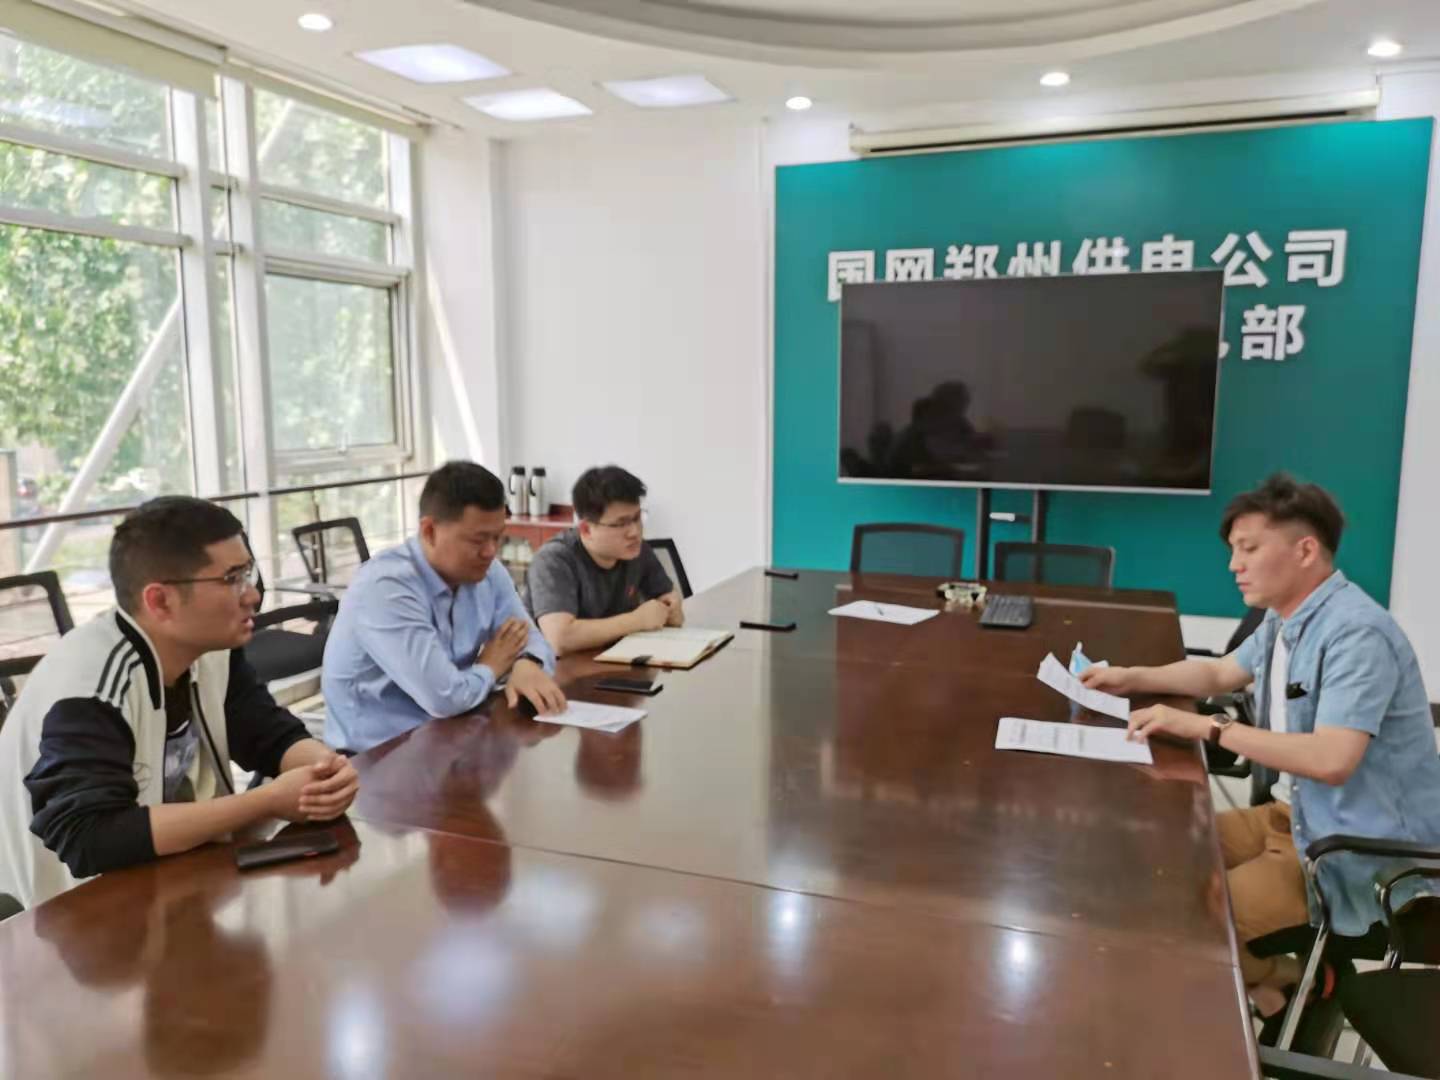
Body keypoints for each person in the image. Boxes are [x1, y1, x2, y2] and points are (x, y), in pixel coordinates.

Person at [1081, 473, 1440, 1017]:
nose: (1234, 565)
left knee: (1188, 914)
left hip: (1351, 852)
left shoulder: (1356, 635)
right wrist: (1130, 677)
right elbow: (1221, 671)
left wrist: (1211, 728)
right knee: (1152, 853)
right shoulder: (1287, 619)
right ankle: (1271, 988)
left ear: (1305, 550)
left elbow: (1332, 761)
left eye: (1249, 549)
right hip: (1290, 817)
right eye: (1233, 550)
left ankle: (1288, 982)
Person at [0, 497, 359, 910]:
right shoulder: (91, 685)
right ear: (160, 601)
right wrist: (266, 800)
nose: (252, 595)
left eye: (248, 572)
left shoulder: (210, 648)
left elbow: (265, 732)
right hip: (66, 917)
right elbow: (90, 837)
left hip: (170, 883)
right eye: (232, 579)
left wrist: (324, 770)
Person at [323, 461, 565, 753]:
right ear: (429, 531)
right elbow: (444, 698)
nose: (491, 551)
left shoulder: (489, 572)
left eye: (497, 537)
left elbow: (533, 640)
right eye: (478, 539)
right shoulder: (386, 587)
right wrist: (491, 666)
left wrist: (527, 663)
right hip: (377, 757)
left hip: (450, 735)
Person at [527, 465, 682, 656]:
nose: (634, 532)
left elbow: (668, 598)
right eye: (621, 523)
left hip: (613, 661)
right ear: (586, 530)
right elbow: (559, 638)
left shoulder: (637, 550)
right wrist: (637, 621)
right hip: (556, 669)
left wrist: (672, 608)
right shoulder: (554, 559)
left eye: (637, 518)